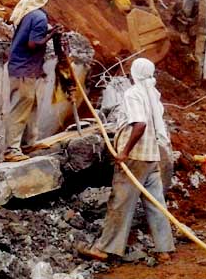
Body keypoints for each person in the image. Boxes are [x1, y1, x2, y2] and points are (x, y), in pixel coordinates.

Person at [78, 58, 175, 263]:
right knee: (156, 203)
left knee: (120, 202)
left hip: (135, 157)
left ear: (134, 73)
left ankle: (104, 248)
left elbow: (139, 125)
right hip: (152, 155)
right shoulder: (153, 93)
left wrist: (124, 153)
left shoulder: (133, 93)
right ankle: (164, 249)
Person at [4, 0, 60, 162]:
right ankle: (11, 150)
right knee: (20, 108)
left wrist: (49, 31)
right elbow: (33, 44)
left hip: (19, 67)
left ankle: (28, 142)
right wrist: (52, 35)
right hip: (24, 70)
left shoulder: (27, 13)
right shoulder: (39, 16)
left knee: (31, 105)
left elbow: (31, 37)